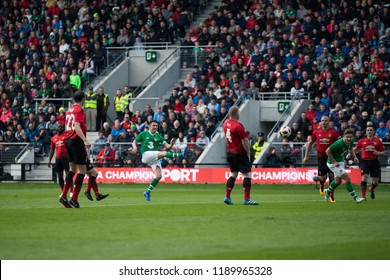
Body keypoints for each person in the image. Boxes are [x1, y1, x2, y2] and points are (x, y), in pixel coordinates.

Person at [130, 120, 184, 201]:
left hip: (153, 158)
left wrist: (172, 144)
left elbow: (168, 146)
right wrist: (134, 147)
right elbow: (134, 141)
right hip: (146, 155)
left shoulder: (159, 136)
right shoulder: (143, 134)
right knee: (163, 153)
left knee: (159, 176)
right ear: (149, 126)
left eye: (156, 126)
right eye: (153, 125)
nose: (155, 127)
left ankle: (147, 192)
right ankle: (178, 155)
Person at [59, 91, 91, 208]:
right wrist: (85, 140)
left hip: (68, 141)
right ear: (83, 99)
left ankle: (63, 195)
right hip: (76, 141)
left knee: (72, 169)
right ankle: (74, 199)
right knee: (82, 170)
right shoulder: (79, 110)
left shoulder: (69, 110)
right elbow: (77, 126)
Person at [223, 106, 259, 205]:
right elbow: (245, 141)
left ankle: (227, 197)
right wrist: (248, 153)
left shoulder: (226, 123)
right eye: (239, 112)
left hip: (230, 152)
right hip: (239, 153)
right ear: (236, 114)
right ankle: (247, 199)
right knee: (247, 174)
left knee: (233, 174)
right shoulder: (238, 126)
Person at [303, 116, 340, 202]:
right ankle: (322, 185)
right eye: (322, 120)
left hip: (331, 157)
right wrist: (306, 156)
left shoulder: (334, 133)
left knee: (332, 177)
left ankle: (331, 195)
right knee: (323, 178)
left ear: (329, 122)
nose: (324, 122)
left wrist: (339, 156)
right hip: (321, 157)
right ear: (321, 122)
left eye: (326, 121)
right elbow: (310, 143)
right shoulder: (316, 132)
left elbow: (338, 145)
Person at [324, 129, 364, 204]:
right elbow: (327, 151)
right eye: (347, 137)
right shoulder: (338, 143)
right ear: (344, 136)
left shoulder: (351, 141)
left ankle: (328, 191)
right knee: (347, 178)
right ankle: (356, 198)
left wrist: (355, 157)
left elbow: (351, 149)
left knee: (338, 181)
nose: (349, 138)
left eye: (350, 137)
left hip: (340, 161)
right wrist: (334, 162)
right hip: (332, 163)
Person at [354, 125, 385, 200]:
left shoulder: (377, 141)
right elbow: (355, 149)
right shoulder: (362, 141)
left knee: (376, 181)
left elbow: (383, 153)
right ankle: (363, 196)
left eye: (371, 130)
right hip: (364, 161)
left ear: (373, 132)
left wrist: (378, 153)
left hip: (374, 161)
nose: (369, 131)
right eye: (368, 130)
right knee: (364, 177)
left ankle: (371, 188)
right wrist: (350, 154)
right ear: (366, 132)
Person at [48, 124, 71, 194]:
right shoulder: (53, 138)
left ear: (64, 129)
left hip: (66, 158)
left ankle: (71, 191)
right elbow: (52, 150)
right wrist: (49, 160)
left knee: (68, 174)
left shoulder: (67, 136)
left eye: (61, 127)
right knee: (60, 175)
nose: (60, 128)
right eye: (59, 127)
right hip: (58, 159)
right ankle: (63, 192)